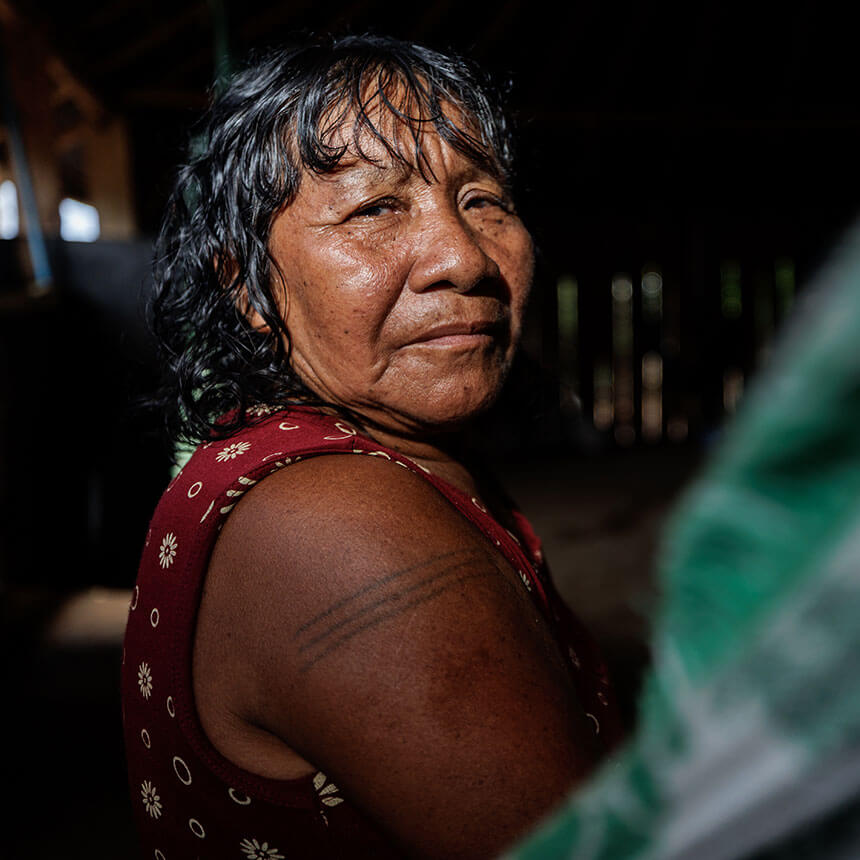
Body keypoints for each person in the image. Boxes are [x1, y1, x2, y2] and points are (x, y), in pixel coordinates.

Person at [121, 33, 620, 860]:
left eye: (483, 200)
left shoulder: (321, 462)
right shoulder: (335, 526)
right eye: (374, 209)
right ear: (249, 287)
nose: (463, 258)